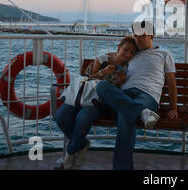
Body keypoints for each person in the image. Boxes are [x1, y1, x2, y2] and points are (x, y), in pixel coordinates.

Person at [96, 20, 178, 170]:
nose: (138, 39)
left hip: (147, 96)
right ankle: (141, 112)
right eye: (136, 36)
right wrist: (98, 66)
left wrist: (174, 108)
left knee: (125, 115)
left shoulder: (164, 54)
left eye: (142, 36)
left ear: (151, 35)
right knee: (102, 86)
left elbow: (171, 82)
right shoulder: (132, 54)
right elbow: (112, 57)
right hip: (126, 94)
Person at [56, 36, 138, 169]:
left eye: (132, 52)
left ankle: (70, 152)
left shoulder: (126, 70)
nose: (128, 54)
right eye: (126, 49)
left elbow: (113, 91)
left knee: (83, 118)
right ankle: (81, 144)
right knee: (61, 116)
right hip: (82, 95)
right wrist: (102, 72)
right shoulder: (102, 59)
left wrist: (117, 79)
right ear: (119, 48)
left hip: (100, 102)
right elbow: (89, 78)